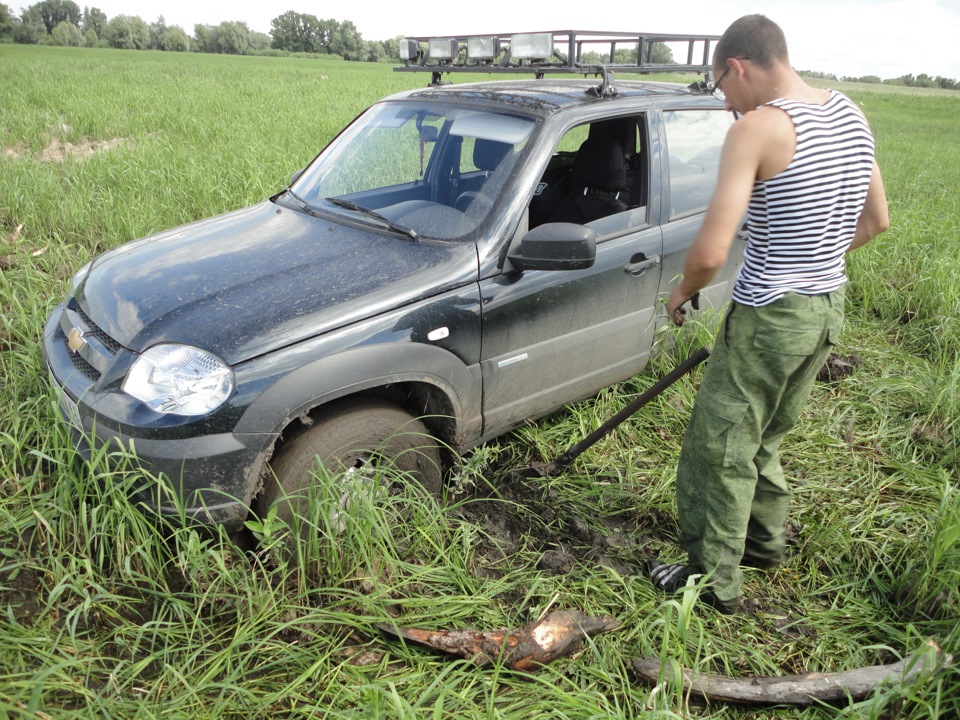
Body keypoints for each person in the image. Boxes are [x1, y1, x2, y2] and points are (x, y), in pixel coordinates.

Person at [649, 14, 890, 614]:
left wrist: (682, 291)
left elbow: (709, 251)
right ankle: (761, 546)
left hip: (769, 316)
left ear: (737, 66)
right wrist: (813, 262)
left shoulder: (758, 129)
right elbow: (876, 221)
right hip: (825, 308)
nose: (726, 104)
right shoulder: (848, 114)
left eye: (721, 88)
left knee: (720, 447)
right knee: (766, 437)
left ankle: (711, 584)